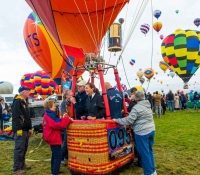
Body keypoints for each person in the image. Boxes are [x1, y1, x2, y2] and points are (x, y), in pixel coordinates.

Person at [113, 91, 156, 175]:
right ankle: (152, 171)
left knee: (144, 154)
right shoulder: (147, 105)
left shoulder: (136, 108)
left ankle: (148, 173)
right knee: (149, 151)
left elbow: (129, 120)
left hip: (142, 132)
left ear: (136, 98)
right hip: (151, 129)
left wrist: (117, 120)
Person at [43, 100, 72, 175]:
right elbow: (59, 124)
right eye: (54, 105)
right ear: (50, 107)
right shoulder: (50, 115)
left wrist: (62, 119)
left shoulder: (48, 114)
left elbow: (57, 121)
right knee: (57, 157)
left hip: (51, 137)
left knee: (54, 155)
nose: (55, 107)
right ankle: (55, 173)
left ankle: (54, 171)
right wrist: (67, 119)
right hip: (54, 138)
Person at [12, 86, 32, 174]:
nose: (29, 93)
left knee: (24, 147)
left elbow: (26, 116)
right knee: (19, 148)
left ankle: (22, 164)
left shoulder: (24, 101)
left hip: (25, 128)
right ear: (23, 92)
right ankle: (16, 169)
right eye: (27, 91)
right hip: (20, 129)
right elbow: (16, 116)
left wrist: (28, 127)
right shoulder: (17, 101)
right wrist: (19, 128)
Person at [60, 90, 72, 166]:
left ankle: (67, 156)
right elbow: (64, 114)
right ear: (66, 96)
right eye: (70, 94)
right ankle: (61, 159)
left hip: (72, 124)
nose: (72, 95)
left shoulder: (72, 102)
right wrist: (70, 118)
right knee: (66, 141)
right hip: (66, 124)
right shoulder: (63, 103)